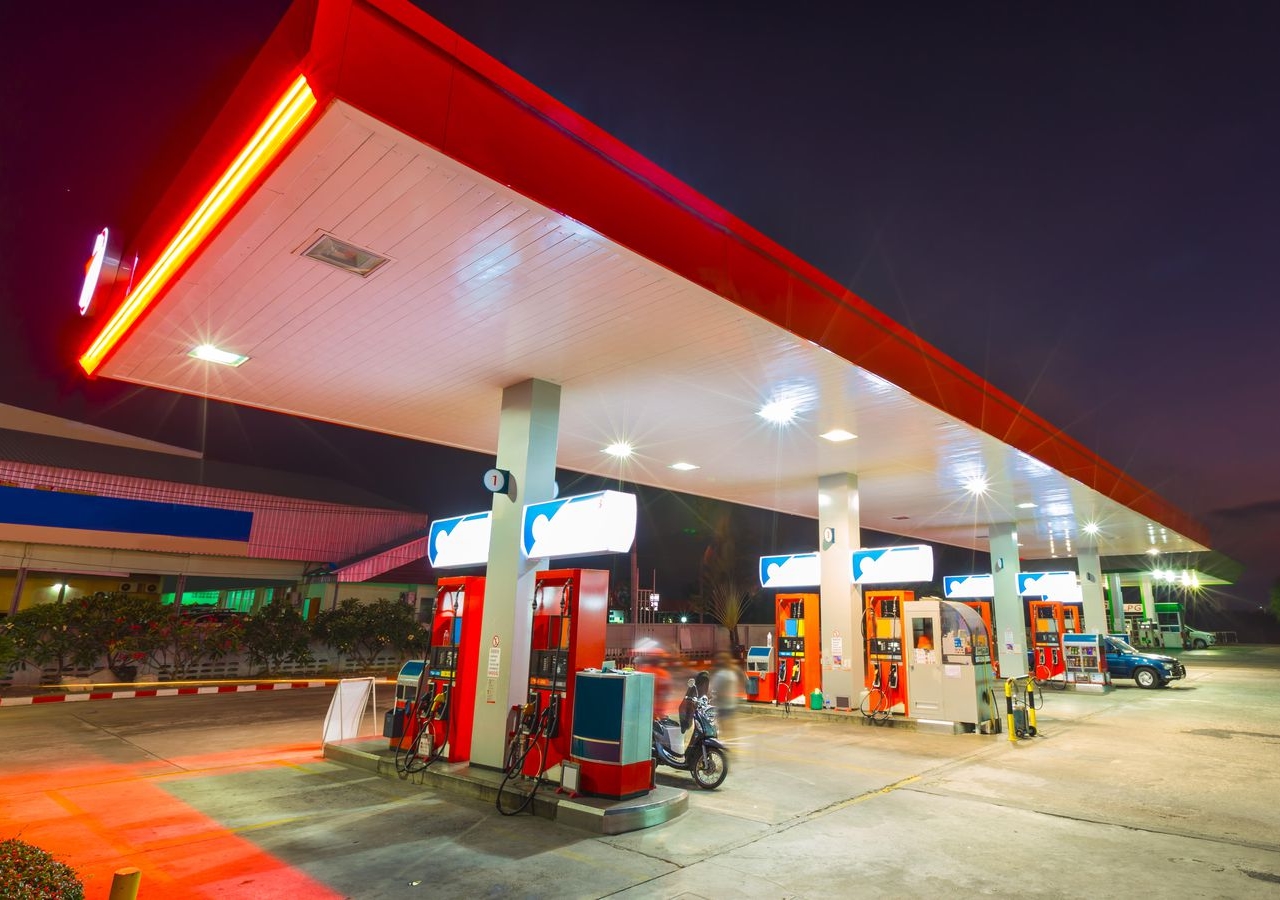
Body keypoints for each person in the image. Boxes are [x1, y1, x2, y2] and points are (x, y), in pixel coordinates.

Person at [709, 652, 742, 738]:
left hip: (722, 706)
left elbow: (713, 688)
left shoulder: (721, 675)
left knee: (724, 729)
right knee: (730, 729)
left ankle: (727, 743)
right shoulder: (732, 673)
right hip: (731, 704)